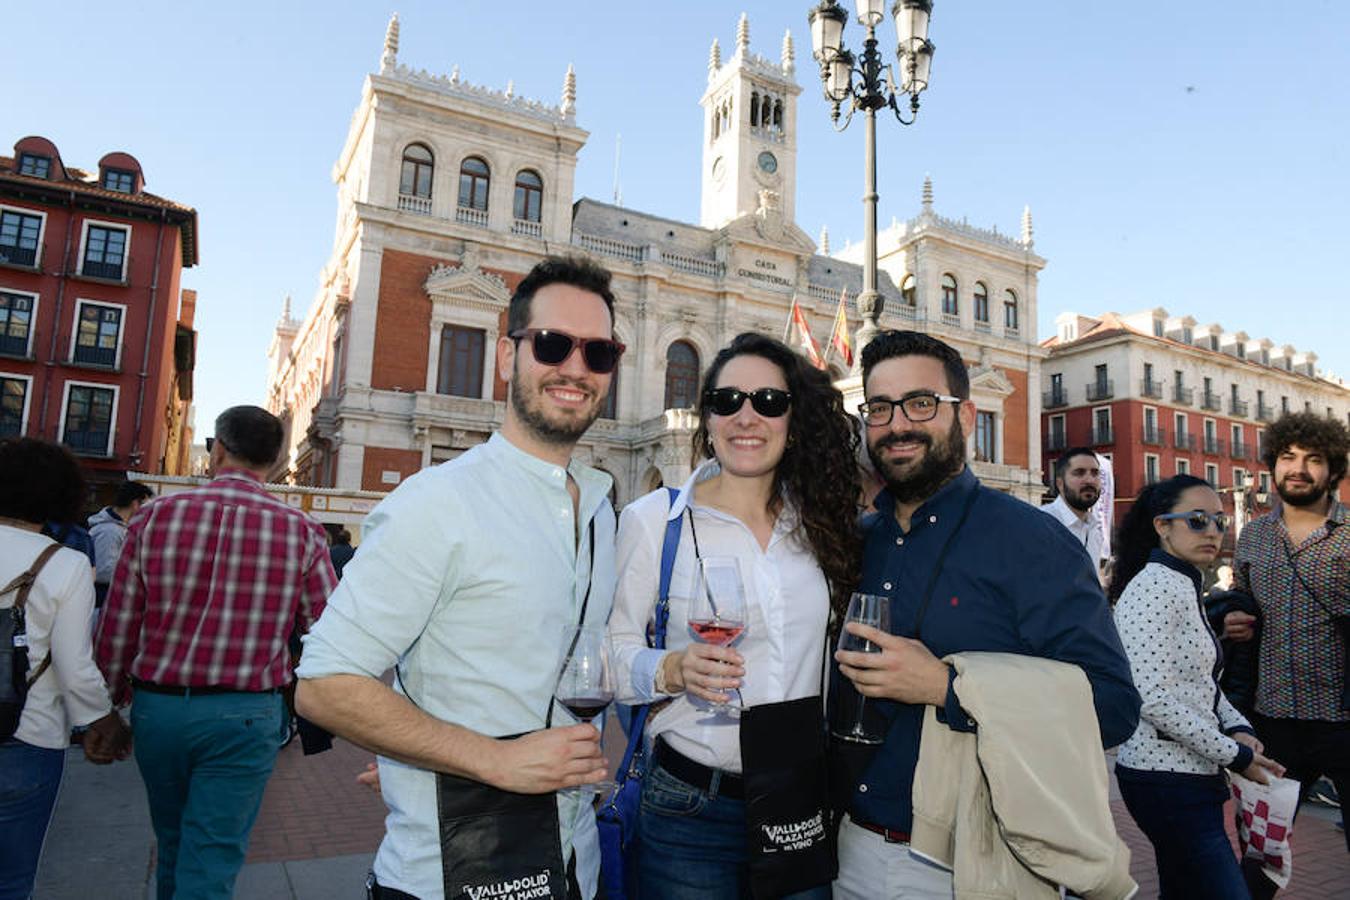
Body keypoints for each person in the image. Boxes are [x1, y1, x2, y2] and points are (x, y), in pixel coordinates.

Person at [295, 255, 622, 900]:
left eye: (599, 353)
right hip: (449, 876)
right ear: (508, 356)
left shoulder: (599, 509)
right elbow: (324, 687)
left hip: (573, 864)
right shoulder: (436, 501)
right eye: (553, 344)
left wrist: (415, 746)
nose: (576, 368)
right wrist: (492, 759)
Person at [830, 330, 1141, 898]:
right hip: (845, 849)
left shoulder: (1033, 541)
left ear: (967, 415)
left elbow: (1113, 706)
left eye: (921, 403)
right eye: (879, 408)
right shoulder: (857, 540)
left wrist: (948, 687)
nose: (898, 424)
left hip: (972, 862)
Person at [608, 332, 861, 899]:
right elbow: (609, 654)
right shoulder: (656, 520)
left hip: (799, 801)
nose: (747, 416)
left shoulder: (821, 527)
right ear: (708, 416)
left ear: (793, 420)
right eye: (728, 401)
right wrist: (670, 669)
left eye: (769, 402)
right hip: (687, 806)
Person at [95, 405, 336, 900]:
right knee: (213, 854)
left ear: (218, 449)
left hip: (159, 708)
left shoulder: (154, 517)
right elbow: (326, 631)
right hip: (246, 714)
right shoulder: (302, 531)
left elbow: (120, 622)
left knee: (173, 842)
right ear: (273, 461)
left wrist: (106, 707)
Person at [1109, 474, 1284, 898]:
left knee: (1183, 888)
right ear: (1162, 526)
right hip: (1163, 778)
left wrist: (1240, 727)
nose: (1213, 532)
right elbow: (1152, 697)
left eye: (1220, 522)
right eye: (1198, 520)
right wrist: (1236, 754)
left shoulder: (1183, 582)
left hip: (1186, 775)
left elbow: (1201, 681)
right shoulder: (1154, 587)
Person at [1224, 412, 1350, 896]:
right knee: (1260, 853)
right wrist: (1231, 621)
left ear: (1332, 471)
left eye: (1313, 460)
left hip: (1343, 717)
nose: (1298, 468)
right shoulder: (1254, 536)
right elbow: (1242, 602)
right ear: (1273, 466)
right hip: (1273, 718)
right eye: (1287, 458)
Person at [0, 438, 130, 899]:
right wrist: (104, 722)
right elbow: (75, 665)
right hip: (24, 736)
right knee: (11, 881)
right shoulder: (66, 564)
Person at [1042, 447, 1108, 581]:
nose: (1089, 480)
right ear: (1060, 483)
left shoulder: (1095, 530)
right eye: (1079, 473)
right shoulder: (1041, 523)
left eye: (1095, 473)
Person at [87, 480, 155, 608]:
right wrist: (136, 574)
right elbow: (103, 572)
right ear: (135, 504)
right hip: (101, 600)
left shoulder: (119, 529)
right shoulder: (109, 531)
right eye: (145, 505)